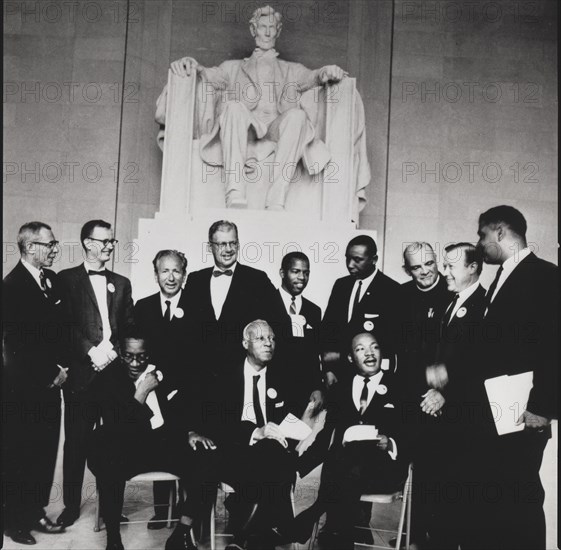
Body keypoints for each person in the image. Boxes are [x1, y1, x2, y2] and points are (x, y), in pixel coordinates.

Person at [157, 5, 348, 210]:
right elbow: (212, 76)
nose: (267, 32)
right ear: (252, 30)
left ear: (279, 30)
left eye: (272, 27)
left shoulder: (290, 70)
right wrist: (196, 67)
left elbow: (312, 77)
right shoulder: (232, 67)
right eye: (262, 26)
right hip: (245, 129)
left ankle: (276, 198)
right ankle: (235, 193)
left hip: (276, 129)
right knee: (233, 108)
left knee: (297, 117)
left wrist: (326, 71)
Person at [474, 205, 559, 550]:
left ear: (499, 231)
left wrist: (543, 407)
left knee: (521, 496)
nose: (479, 243)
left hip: (525, 410)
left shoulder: (545, 275)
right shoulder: (503, 275)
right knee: (501, 497)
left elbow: (555, 344)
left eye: (482, 235)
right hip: (500, 409)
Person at [87, 334, 214, 550]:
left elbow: (189, 403)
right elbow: (116, 430)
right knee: (107, 457)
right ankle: (114, 540)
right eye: (128, 356)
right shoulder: (107, 379)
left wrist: (191, 431)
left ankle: (181, 534)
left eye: (141, 356)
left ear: (150, 354)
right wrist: (141, 392)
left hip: (164, 444)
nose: (135, 363)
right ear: (120, 353)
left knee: (208, 456)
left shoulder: (167, 371)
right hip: (127, 448)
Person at [292, 332, 409, 550]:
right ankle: (339, 536)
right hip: (345, 470)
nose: (369, 353)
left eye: (374, 347)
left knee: (347, 466)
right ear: (350, 358)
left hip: (382, 470)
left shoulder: (400, 386)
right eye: (360, 349)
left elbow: (410, 433)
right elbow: (326, 435)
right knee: (347, 463)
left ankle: (314, 516)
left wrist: (391, 442)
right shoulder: (340, 388)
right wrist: (299, 463)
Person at [195, 320, 301, 550]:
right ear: (245, 343)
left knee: (273, 452)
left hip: (272, 454)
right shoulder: (224, 376)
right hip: (235, 453)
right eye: (261, 338)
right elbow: (216, 423)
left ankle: (245, 532)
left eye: (272, 338)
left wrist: (284, 432)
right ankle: (272, 528)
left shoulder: (284, 377)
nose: (268, 343)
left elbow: (292, 420)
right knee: (276, 465)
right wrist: (255, 432)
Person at [56, 220, 135, 527]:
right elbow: (64, 326)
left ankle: (111, 508)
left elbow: (129, 325)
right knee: (76, 442)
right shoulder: (67, 279)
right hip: (82, 375)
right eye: (104, 242)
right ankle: (71, 507)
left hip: (114, 374)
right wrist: (91, 351)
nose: (109, 247)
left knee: (115, 442)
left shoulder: (122, 282)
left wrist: (113, 352)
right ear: (87, 243)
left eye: (112, 242)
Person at [416, 243, 487, 550]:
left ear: (472, 267)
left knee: (460, 503)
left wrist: (449, 394)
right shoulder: (449, 303)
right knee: (438, 498)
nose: (444, 272)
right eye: (444, 266)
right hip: (439, 421)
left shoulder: (485, 307)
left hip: (465, 423)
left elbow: (484, 366)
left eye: (450, 266)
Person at [2, 222, 67, 544]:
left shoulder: (51, 280)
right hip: (22, 390)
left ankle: (35, 511)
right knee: (20, 454)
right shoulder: (11, 286)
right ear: (30, 248)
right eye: (49, 244)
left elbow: (59, 332)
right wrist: (49, 373)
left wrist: (61, 368)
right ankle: (14, 521)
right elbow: (16, 347)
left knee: (44, 450)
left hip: (50, 387)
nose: (55, 249)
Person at [134, 250, 191, 528]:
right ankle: (161, 510)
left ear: (184, 274)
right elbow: (137, 353)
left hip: (185, 390)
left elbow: (201, 355)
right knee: (158, 441)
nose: (170, 277)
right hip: (153, 390)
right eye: (164, 271)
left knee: (183, 447)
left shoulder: (198, 306)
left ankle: (185, 511)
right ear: (155, 274)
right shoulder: (142, 307)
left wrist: (175, 383)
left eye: (176, 271)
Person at [182, 220, 278, 374]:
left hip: (240, 377)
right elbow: (185, 331)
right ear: (210, 247)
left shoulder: (257, 279)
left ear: (238, 244)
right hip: (200, 377)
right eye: (221, 244)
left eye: (232, 243)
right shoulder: (195, 280)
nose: (228, 249)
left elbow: (278, 323)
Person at [321, 235, 403, 386]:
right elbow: (328, 331)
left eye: (357, 260)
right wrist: (328, 369)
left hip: (373, 378)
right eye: (347, 258)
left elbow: (394, 341)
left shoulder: (392, 290)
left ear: (374, 259)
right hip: (340, 377)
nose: (350, 265)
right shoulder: (341, 286)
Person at [270, 251, 324, 417]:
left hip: (303, 394)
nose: (302, 277)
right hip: (272, 390)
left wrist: (317, 387)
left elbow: (315, 354)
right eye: (296, 271)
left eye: (306, 273)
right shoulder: (265, 304)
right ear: (282, 273)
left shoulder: (314, 311)